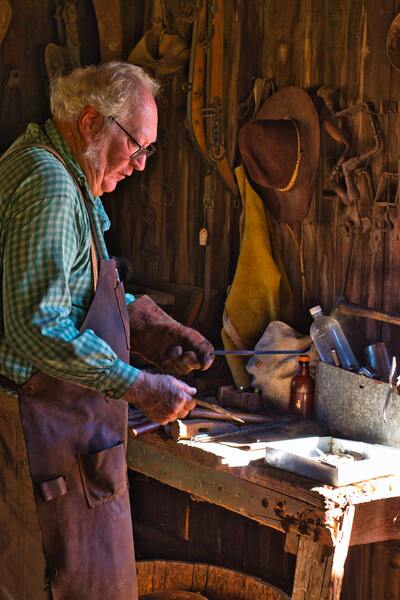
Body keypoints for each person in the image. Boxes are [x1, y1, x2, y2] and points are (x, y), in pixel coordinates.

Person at [0, 61, 214, 600]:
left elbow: (81, 292)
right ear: (92, 122)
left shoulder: (73, 182)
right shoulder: (49, 186)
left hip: (64, 441)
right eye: (136, 147)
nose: (141, 165)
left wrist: (153, 328)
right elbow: (35, 327)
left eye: (148, 151)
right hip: (34, 441)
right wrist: (137, 384)